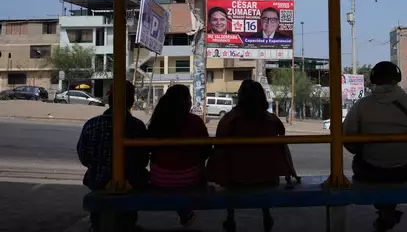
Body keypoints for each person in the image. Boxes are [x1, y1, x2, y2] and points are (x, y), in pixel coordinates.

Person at [343, 61, 407, 232]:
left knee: (365, 164)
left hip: (370, 170)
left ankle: (385, 210)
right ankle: (387, 210)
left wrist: (363, 149)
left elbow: (348, 137)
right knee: (394, 170)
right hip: (405, 169)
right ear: (397, 79)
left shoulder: (361, 105)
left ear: (374, 79)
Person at [207, 79, 297, 232]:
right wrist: (290, 173)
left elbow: (219, 149)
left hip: (236, 179)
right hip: (267, 177)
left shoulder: (230, 120)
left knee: (226, 158)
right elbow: (282, 143)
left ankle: (230, 217)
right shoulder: (272, 120)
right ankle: (266, 214)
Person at [77, 81, 149, 232]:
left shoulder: (91, 124)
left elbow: (84, 157)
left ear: (109, 101)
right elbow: (143, 160)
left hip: (97, 181)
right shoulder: (137, 126)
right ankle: (127, 224)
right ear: (131, 101)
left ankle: (97, 224)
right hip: (130, 182)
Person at [147, 84, 211, 227]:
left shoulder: (158, 120)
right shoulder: (195, 121)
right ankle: (185, 212)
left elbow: (149, 148)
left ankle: (184, 212)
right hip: (190, 178)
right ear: (187, 101)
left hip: (160, 178)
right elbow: (206, 151)